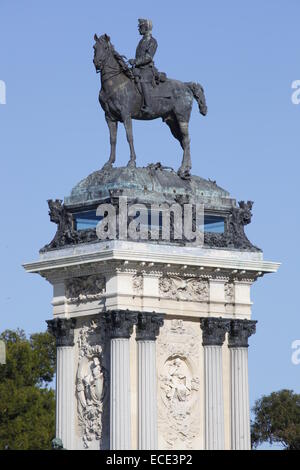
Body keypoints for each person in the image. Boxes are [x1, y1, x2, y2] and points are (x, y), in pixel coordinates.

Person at [129, 19, 158, 113]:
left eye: (140, 27)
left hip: (147, 69)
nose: (139, 29)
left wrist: (136, 61)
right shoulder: (141, 41)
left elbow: (148, 57)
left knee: (143, 81)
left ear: (146, 28)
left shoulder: (152, 41)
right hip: (138, 68)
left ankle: (149, 106)